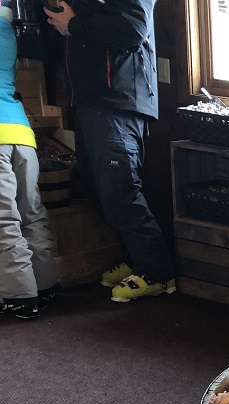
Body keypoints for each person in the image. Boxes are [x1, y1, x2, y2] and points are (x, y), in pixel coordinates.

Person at [44, 0, 175, 303]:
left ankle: (158, 272)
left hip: (120, 100)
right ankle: (136, 260)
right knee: (97, 190)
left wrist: (73, 25)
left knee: (120, 190)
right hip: (91, 101)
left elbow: (133, 29)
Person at [0, 0, 60, 320]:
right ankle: (46, 284)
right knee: (31, 212)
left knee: (4, 221)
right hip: (22, 135)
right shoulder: (6, 31)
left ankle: (20, 296)